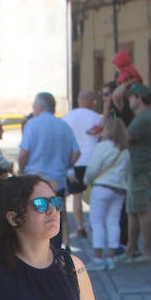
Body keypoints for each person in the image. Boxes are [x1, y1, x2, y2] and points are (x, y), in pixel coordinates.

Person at [18, 92, 80, 251]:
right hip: (57, 182)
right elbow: (76, 152)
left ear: (40, 106)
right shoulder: (64, 126)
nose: (33, 108)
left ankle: (37, 258)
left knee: (35, 219)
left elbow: (24, 152)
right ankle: (56, 256)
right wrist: (65, 166)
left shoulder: (32, 124)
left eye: (34, 105)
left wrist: (21, 168)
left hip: (35, 181)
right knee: (55, 220)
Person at [82, 114, 131, 270]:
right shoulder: (125, 151)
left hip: (102, 187)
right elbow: (128, 172)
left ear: (108, 130)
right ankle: (111, 258)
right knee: (113, 222)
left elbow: (93, 167)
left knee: (97, 222)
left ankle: (98, 258)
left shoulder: (103, 146)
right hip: (119, 189)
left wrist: (86, 180)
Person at [123, 83, 151, 264]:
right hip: (137, 168)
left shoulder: (144, 118)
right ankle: (130, 249)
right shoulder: (144, 116)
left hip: (141, 169)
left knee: (143, 210)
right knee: (132, 210)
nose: (129, 100)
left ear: (139, 98)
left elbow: (125, 138)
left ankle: (147, 251)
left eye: (131, 97)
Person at [63, 90, 103, 238]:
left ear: (79, 100)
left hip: (74, 161)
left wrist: (68, 168)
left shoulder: (68, 117)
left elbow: (65, 143)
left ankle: (80, 227)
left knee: (76, 196)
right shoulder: (96, 118)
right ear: (91, 101)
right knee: (94, 195)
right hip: (92, 160)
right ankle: (94, 223)